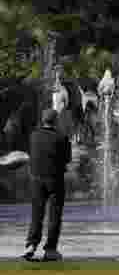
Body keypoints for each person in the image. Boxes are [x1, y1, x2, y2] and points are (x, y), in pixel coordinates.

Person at [23, 109, 71, 261]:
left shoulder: (33, 135)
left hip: (36, 180)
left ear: (42, 120)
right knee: (54, 215)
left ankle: (31, 244)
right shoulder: (62, 137)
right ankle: (50, 249)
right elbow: (67, 158)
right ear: (56, 121)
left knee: (36, 214)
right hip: (55, 180)